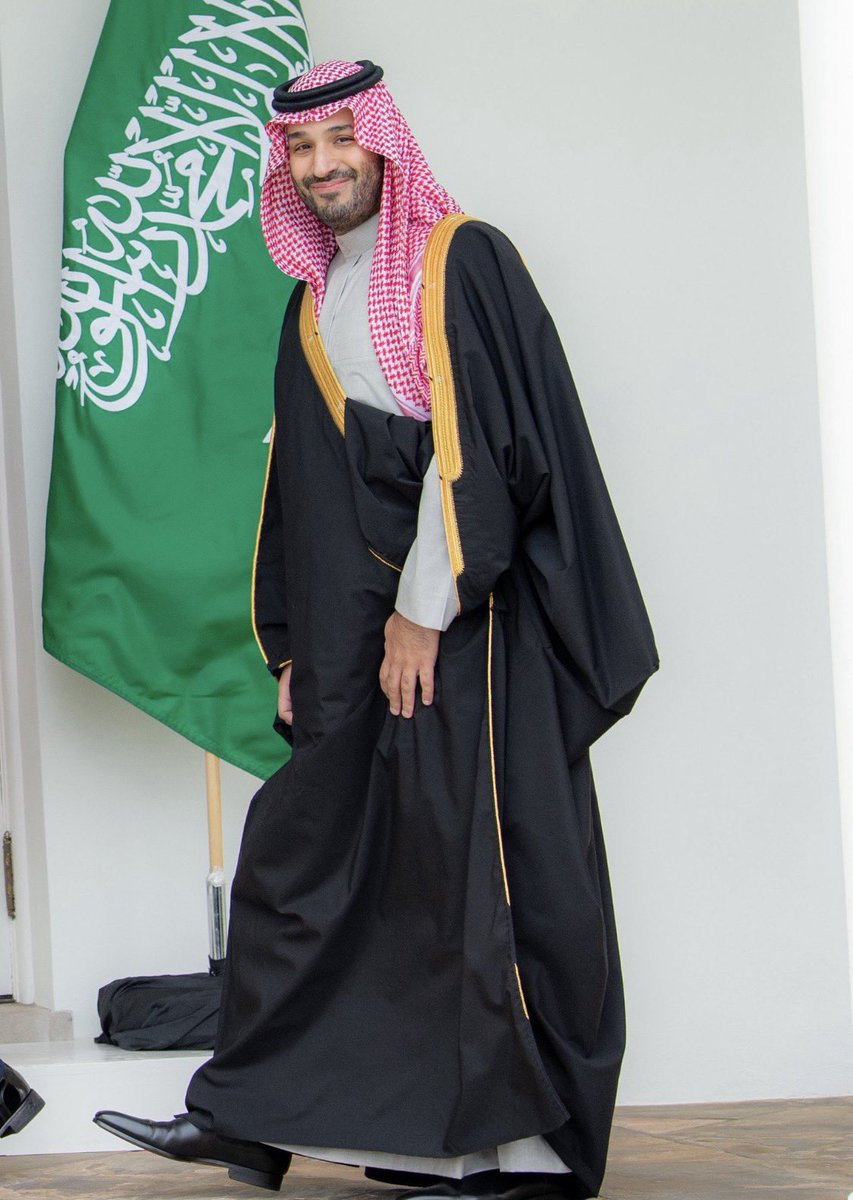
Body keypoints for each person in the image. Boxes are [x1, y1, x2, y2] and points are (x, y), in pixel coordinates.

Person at [95, 59, 660, 1200]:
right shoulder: (315, 300)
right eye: (300, 149)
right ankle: (251, 1120)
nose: (321, 166)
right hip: (361, 641)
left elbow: (479, 452)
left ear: (383, 145)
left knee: (482, 882)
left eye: (339, 140)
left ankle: (528, 1156)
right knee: (308, 860)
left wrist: (419, 614)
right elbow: (309, 488)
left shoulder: (461, 259)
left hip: (467, 632)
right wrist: (299, 645)